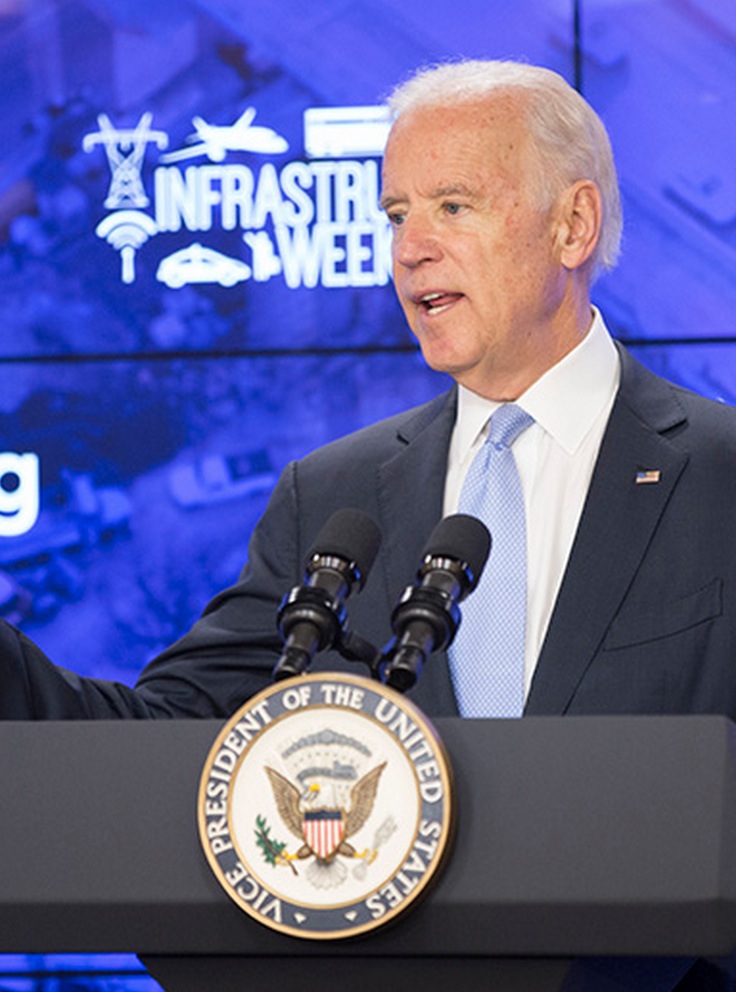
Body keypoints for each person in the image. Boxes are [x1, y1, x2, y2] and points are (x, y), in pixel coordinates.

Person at [2, 57, 736, 726]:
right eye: (396, 215)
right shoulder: (329, 500)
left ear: (572, 226)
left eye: (453, 206)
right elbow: (162, 736)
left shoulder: (720, 472)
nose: (410, 249)